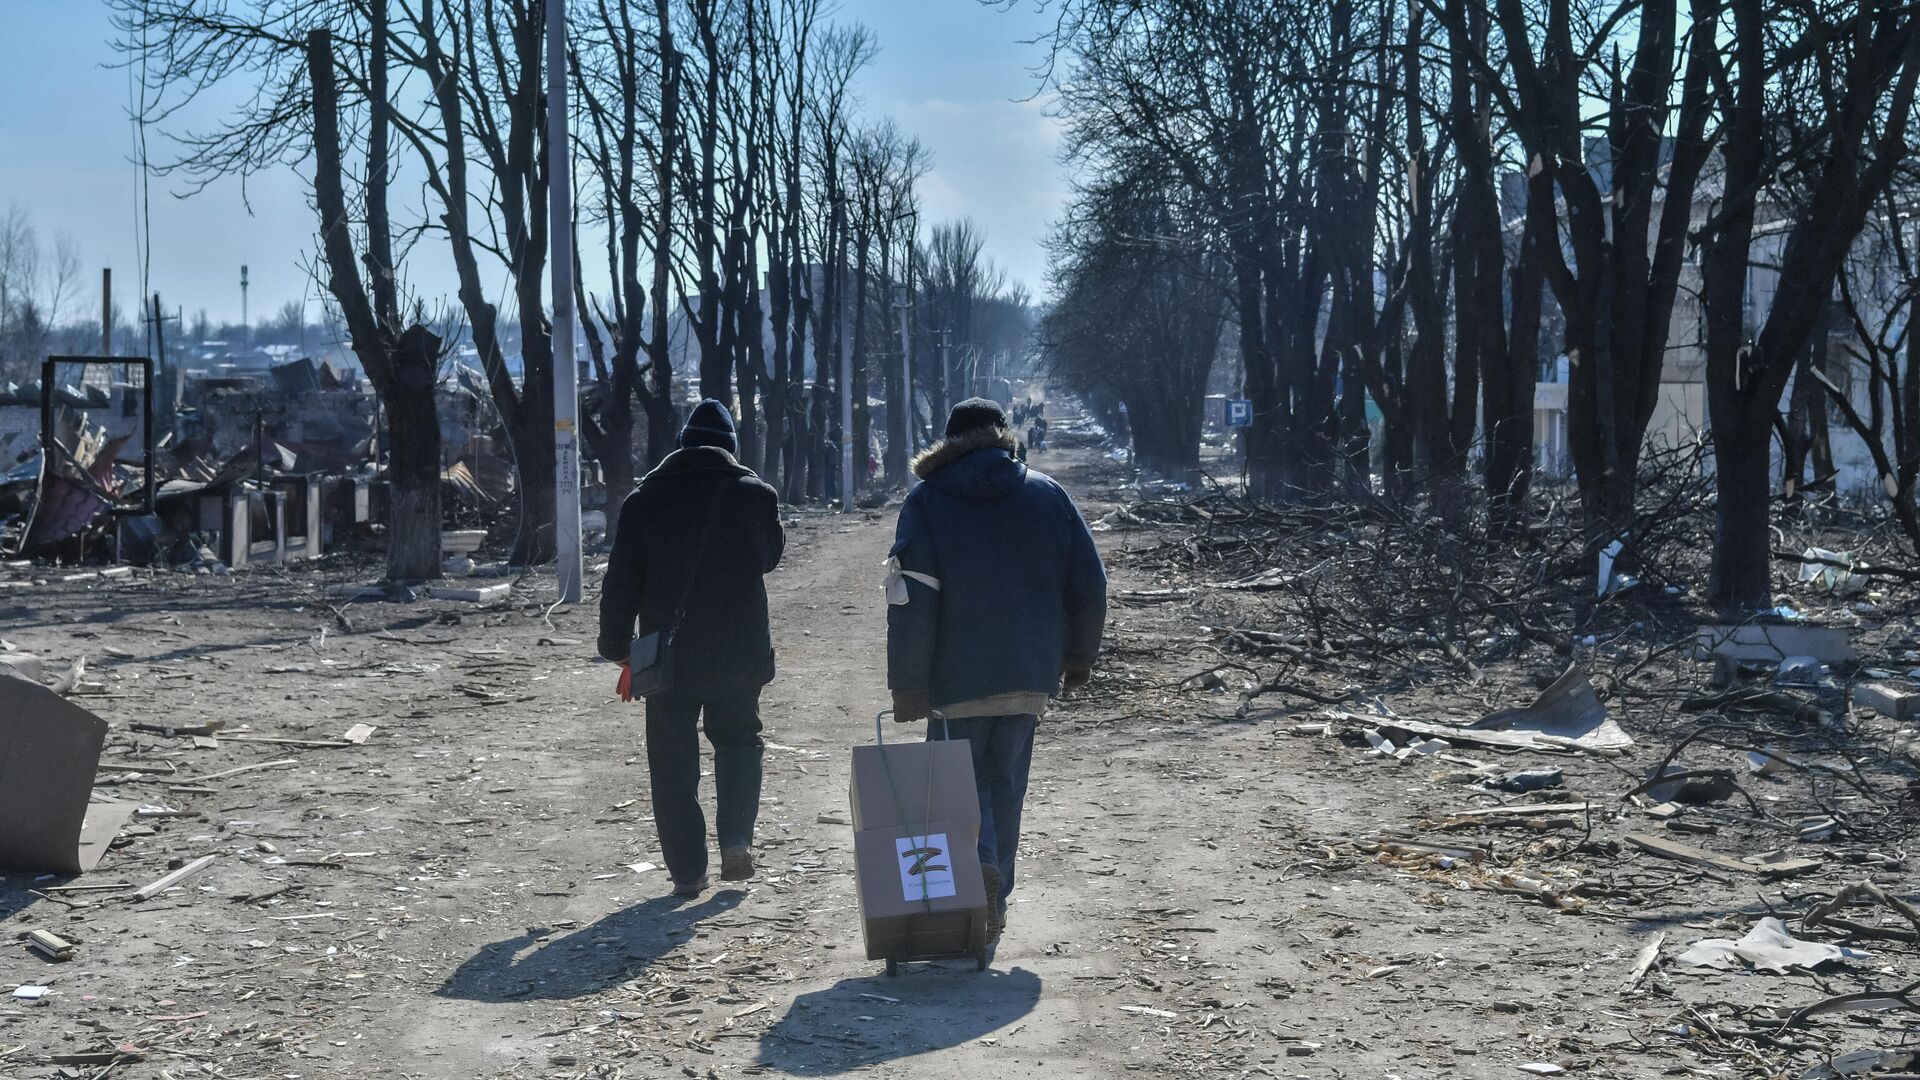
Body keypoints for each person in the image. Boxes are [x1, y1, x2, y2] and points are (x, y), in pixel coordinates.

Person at [885, 398, 1107, 942]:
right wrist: (1078, 657)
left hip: (953, 677)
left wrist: (909, 683)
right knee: (1006, 785)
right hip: (1028, 672)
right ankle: (996, 895)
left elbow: (911, 597)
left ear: (947, 440)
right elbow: (1091, 583)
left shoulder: (928, 501)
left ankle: (981, 869)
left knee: (960, 787)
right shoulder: (1047, 494)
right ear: (1003, 434)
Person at [598, 400, 785, 897]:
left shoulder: (644, 500)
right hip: (740, 652)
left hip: (667, 655)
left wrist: (617, 647)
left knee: (671, 758)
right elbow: (769, 559)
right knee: (740, 740)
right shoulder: (755, 495)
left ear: (681, 446)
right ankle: (737, 841)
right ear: (730, 448)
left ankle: (687, 872)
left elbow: (620, 582)